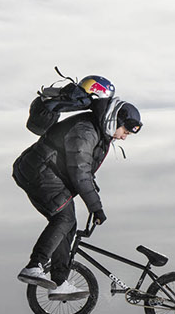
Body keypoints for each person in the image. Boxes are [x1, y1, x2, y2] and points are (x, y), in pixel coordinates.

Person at [13, 90, 142, 299]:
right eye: (125, 131)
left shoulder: (98, 131)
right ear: (115, 120)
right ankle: (34, 266)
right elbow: (79, 172)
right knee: (64, 219)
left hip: (47, 173)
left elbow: (84, 170)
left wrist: (93, 194)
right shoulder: (86, 131)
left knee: (68, 224)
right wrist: (96, 207)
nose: (124, 137)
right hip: (38, 171)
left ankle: (59, 283)